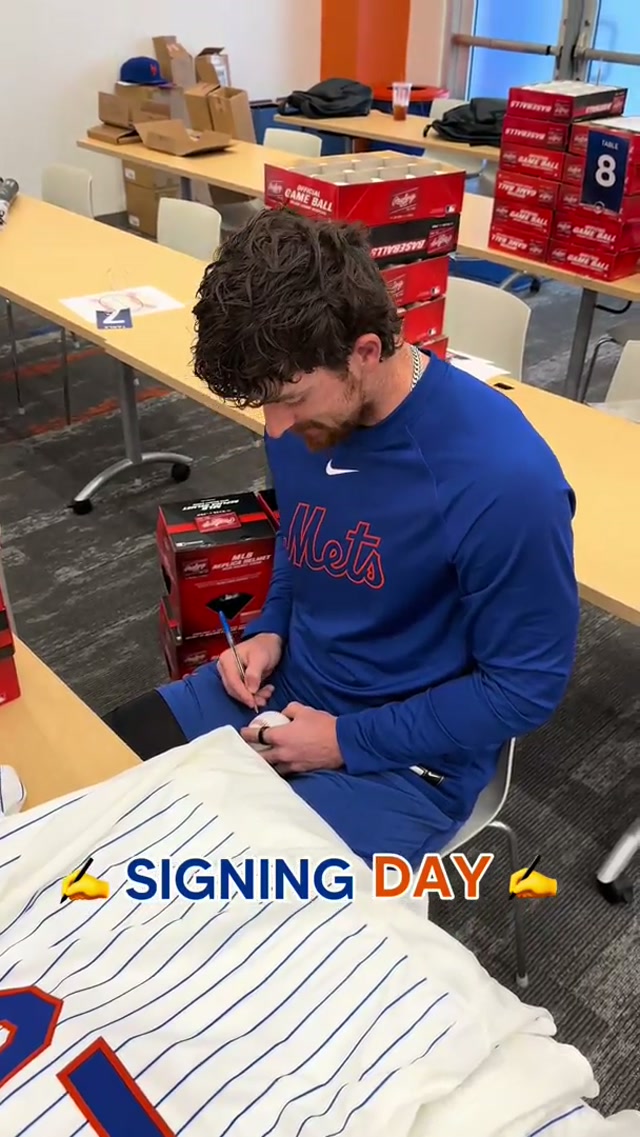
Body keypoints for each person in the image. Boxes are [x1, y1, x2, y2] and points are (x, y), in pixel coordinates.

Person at [104, 208, 580, 869]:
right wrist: (270, 629)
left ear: (365, 352)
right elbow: (305, 534)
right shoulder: (309, 414)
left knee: (200, 891)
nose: (275, 428)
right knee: (93, 773)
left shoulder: (504, 479)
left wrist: (344, 741)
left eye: (292, 398)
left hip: (405, 760)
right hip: (283, 689)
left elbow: (524, 688)